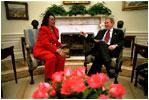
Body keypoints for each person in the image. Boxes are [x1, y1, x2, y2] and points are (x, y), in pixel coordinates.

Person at [33, 12, 65, 82]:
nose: (54, 21)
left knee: (61, 57)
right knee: (52, 57)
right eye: (52, 19)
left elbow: (55, 41)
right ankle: (48, 78)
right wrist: (58, 50)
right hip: (41, 49)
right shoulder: (43, 29)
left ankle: (58, 76)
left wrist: (60, 44)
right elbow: (45, 43)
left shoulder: (55, 29)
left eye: (54, 19)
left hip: (50, 49)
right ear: (47, 21)